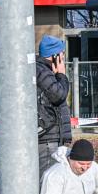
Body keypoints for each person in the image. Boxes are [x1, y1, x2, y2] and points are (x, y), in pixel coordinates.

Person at [36, 34, 72, 180]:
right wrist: (62, 75)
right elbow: (59, 95)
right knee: (48, 182)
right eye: (62, 54)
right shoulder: (42, 71)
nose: (63, 58)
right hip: (47, 140)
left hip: (51, 138)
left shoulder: (46, 71)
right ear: (55, 56)